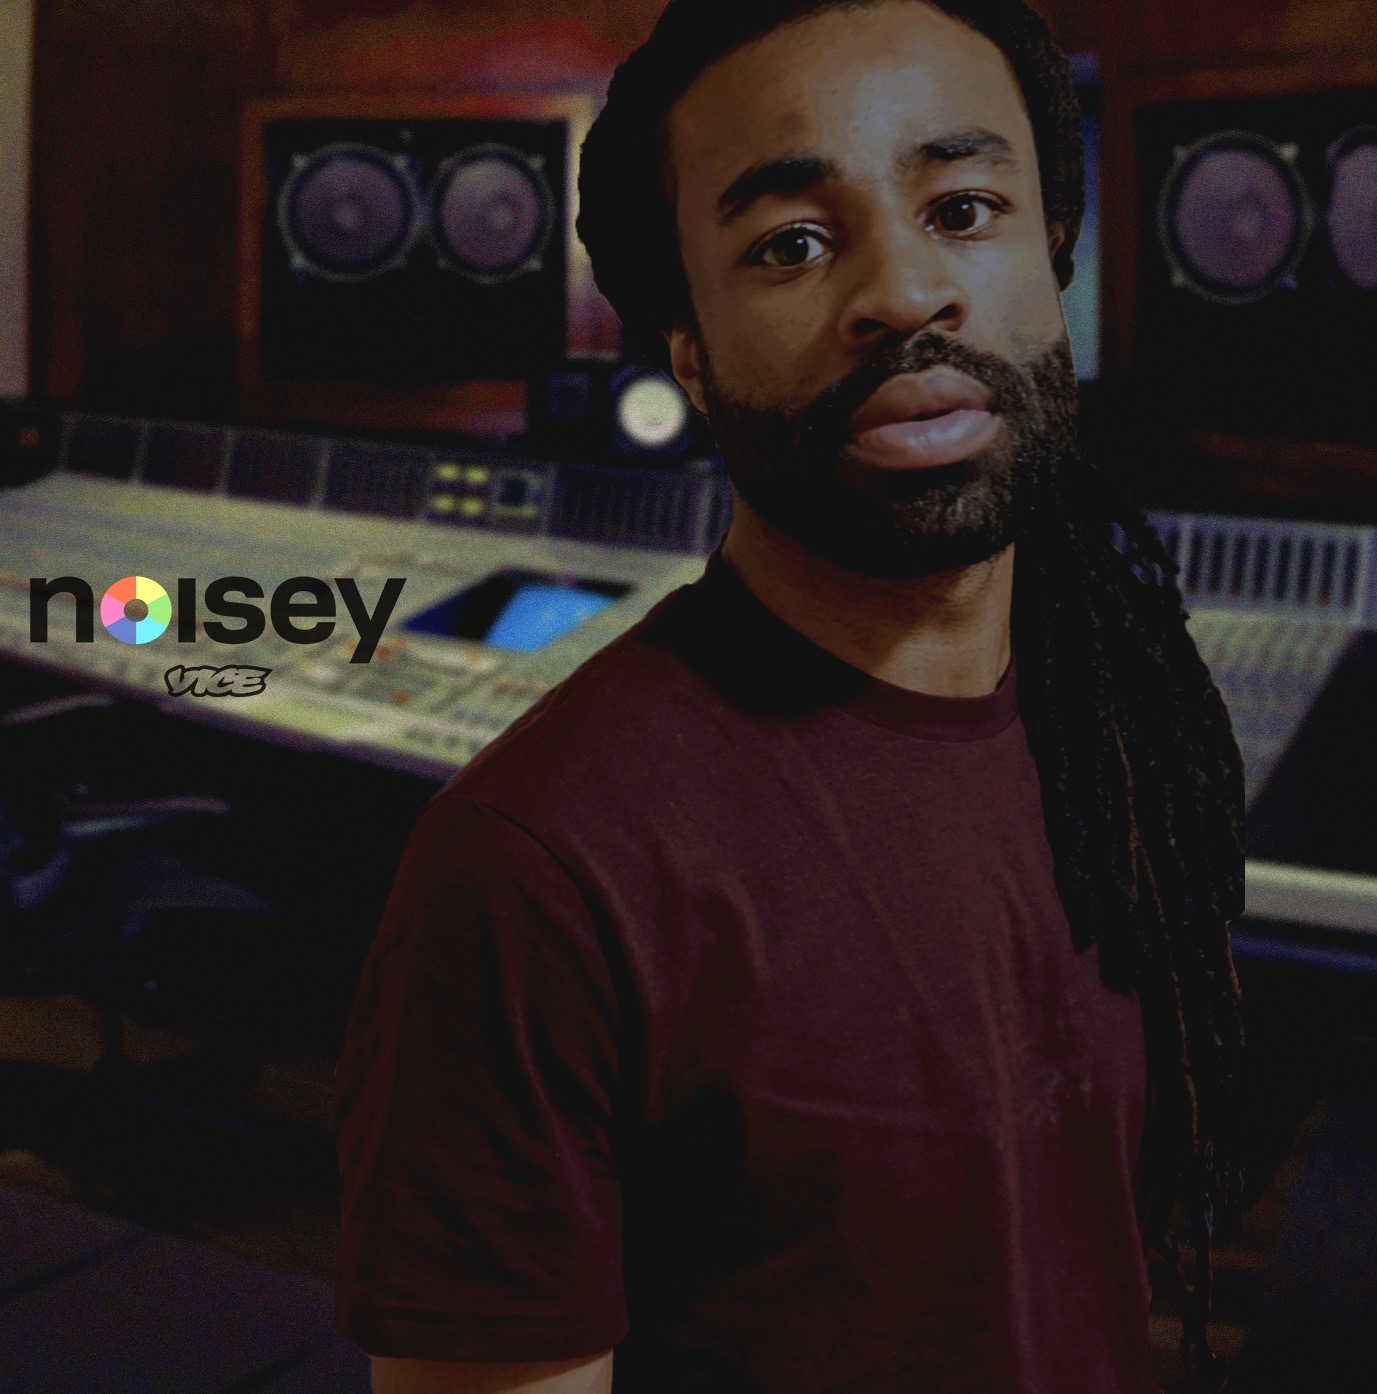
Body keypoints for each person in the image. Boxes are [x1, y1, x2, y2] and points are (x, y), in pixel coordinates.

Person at [334, 2, 1253, 1390]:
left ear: (1050, 254)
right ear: (688, 353)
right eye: (791, 245)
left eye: (962, 208)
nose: (904, 292)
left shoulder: (1120, 727)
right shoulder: (533, 875)